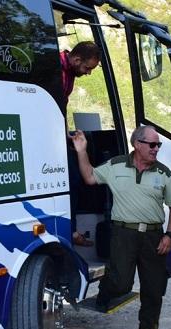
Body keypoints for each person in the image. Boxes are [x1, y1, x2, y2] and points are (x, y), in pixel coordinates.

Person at [71, 125, 171, 329]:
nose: (156, 149)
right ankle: (105, 291)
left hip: (153, 236)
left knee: (153, 290)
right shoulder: (116, 165)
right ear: (137, 144)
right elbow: (89, 177)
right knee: (120, 284)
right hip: (123, 235)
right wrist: (81, 150)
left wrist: (169, 235)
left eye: (158, 145)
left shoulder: (164, 173)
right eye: (152, 144)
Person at [60, 41, 102, 247]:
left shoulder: (68, 73)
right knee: (74, 179)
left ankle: (71, 229)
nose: (88, 73)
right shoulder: (54, 70)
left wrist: (65, 133)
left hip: (56, 133)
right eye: (88, 68)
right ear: (76, 60)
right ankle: (70, 231)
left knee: (75, 178)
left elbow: (60, 107)